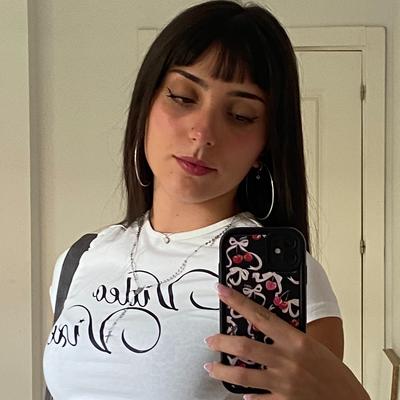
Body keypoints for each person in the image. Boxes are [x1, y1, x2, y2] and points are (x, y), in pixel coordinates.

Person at [42, 1, 371, 399]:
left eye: (240, 115)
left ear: (265, 145)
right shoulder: (79, 260)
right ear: (145, 106)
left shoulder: (276, 280)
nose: (203, 132)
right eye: (183, 97)